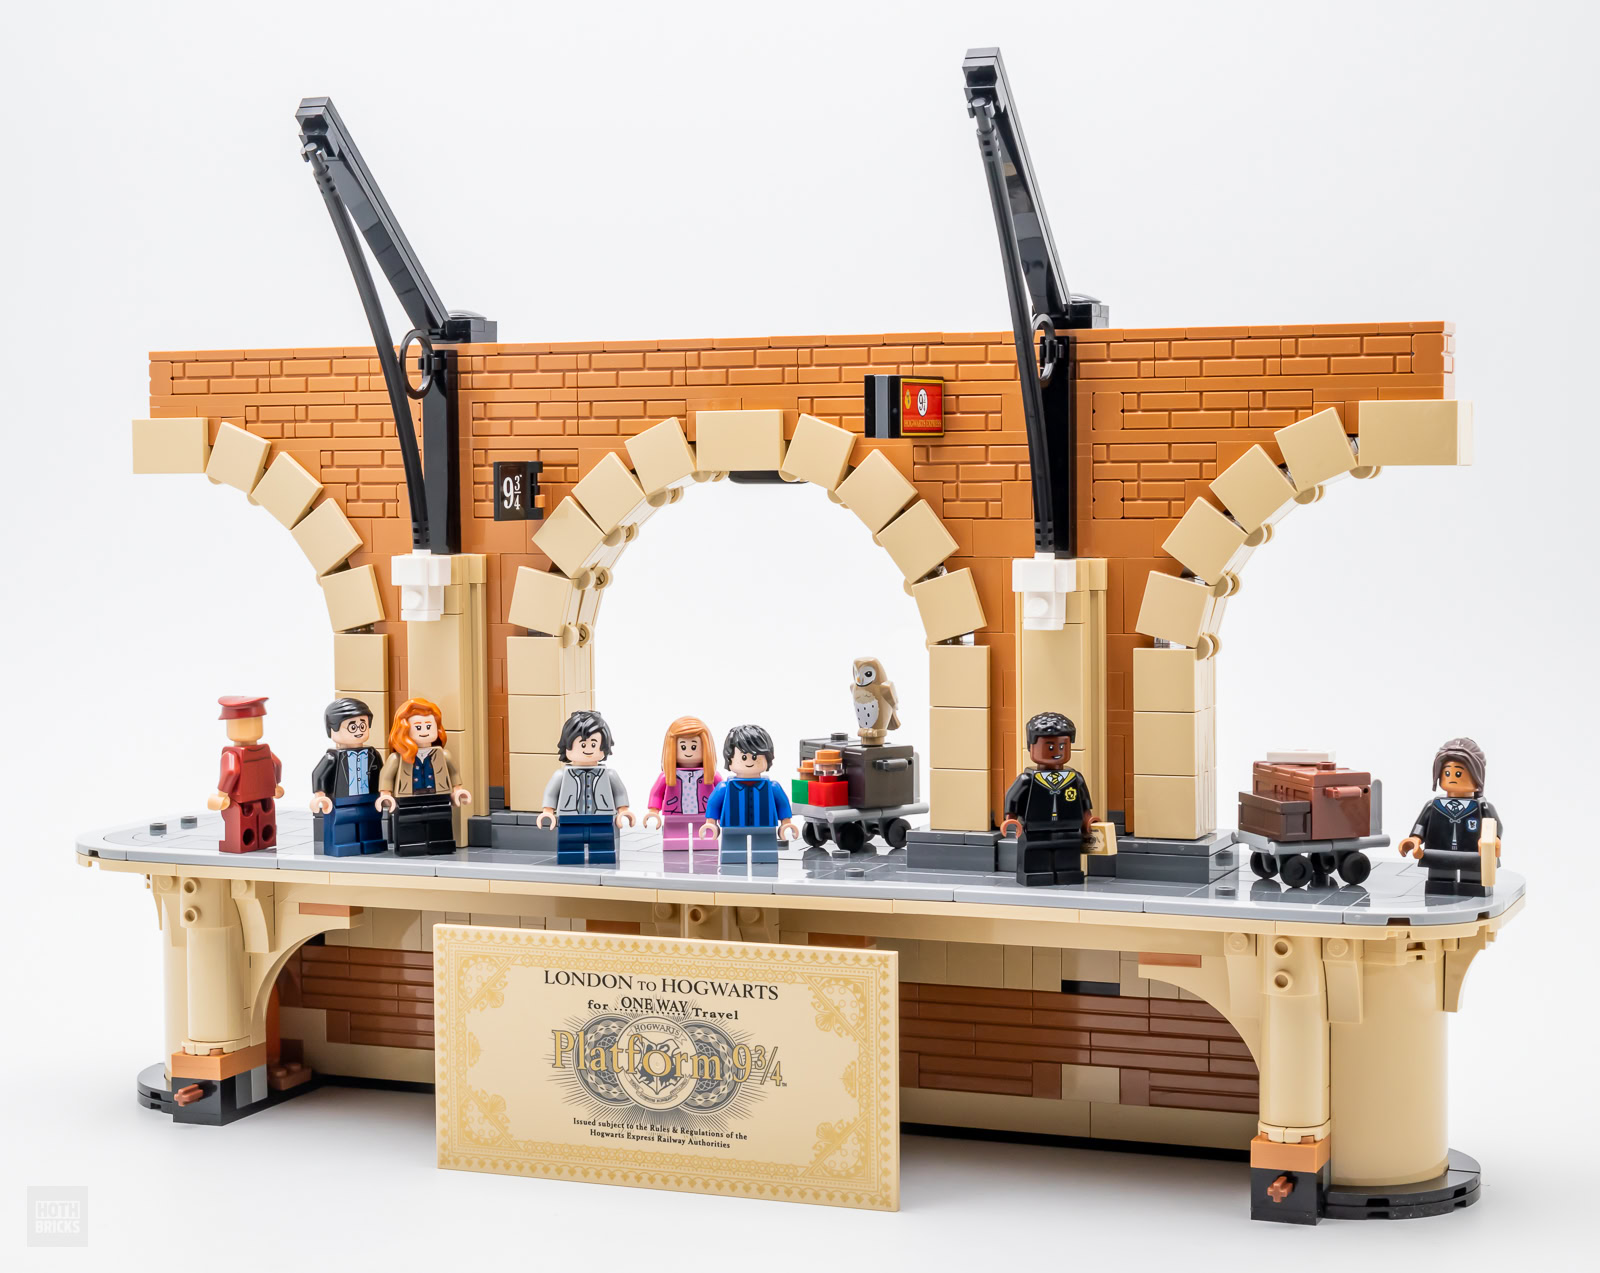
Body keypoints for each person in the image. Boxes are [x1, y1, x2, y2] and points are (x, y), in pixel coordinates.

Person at [1001, 711, 1098, 887]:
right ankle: (1036, 874)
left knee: (1068, 853)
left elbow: (1084, 803)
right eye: (1050, 747)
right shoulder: (1028, 779)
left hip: (1069, 828)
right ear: (1031, 747)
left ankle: (1067, 874)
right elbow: (1013, 798)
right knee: (1035, 853)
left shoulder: (1075, 778)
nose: (1057, 752)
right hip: (1035, 828)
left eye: (1062, 746)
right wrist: (1011, 818)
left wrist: (1088, 821)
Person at [1398, 737, 1502, 897]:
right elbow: (1421, 825)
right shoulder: (1434, 805)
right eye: (1447, 773)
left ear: (1477, 776)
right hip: (1438, 853)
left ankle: (1473, 891)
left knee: (1473, 881)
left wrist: (1493, 839)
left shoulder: (1481, 807)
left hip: (1472, 854)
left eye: (1458, 773)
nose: (1452, 777)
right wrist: (1415, 839)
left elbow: (1495, 826)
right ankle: (1439, 892)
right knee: (1439, 881)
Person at [376, 698, 470, 856]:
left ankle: (440, 845)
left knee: (441, 821)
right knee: (408, 822)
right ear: (404, 730)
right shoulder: (397, 758)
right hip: (408, 799)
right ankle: (410, 846)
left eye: (429, 726)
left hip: (439, 797)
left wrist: (458, 791)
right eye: (418, 727)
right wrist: (386, 795)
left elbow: (453, 773)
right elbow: (386, 777)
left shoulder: (443, 755)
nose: (424, 730)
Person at [539, 710, 633, 863]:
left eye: (594, 744)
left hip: (602, 817)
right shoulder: (561, 775)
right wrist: (548, 811)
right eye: (583, 744)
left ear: (603, 746)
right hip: (570, 818)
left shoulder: (609, 774)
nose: (588, 749)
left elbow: (619, 793)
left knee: (603, 846)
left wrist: (623, 810)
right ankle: (570, 856)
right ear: (567, 746)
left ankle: (602, 855)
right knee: (569, 846)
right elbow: (551, 794)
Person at [700, 724, 798, 864]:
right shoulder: (724, 787)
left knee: (766, 856)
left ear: (767, 758)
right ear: (729, 759)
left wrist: (786, 824)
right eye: (744, 757)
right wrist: (711, 824)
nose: (750, 761)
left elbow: (782, 805)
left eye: (755, 756)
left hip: (765, 827)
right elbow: (714, 804)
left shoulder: (772, 787)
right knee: (732, 856)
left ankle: (764, 868)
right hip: (732, 827)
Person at [208, 695, 284, 853]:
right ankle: (261, 840)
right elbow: (276, 764)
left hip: (243, 800)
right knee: (260, 823)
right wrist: (276, 785)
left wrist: (221, 794)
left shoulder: (232, 754)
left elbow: (231, 772)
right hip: (263, 797)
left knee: (244, 825)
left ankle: (254, 841)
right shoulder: (263, 750)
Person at [310, 698, 386, 856]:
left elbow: (382, 775)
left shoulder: (372, 754)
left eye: (363, 725)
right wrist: (320, 796)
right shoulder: (333, 757)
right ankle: (343, 844)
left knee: (371, 820)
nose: (359, 730)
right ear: (332, 729)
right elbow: (319, 774)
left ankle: (371, 842)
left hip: (369, 798)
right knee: (341, 821)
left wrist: (384, 794)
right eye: (352, 727)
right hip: (342, 800)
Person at [643, 716, 722, 848]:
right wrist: (653, 810)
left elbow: (722, 796)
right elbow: (656, 794)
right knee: (674, 842)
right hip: (674, 813)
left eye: (694, 746)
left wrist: (720, 815)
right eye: (683, 747)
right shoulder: (667, 775)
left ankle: (705, 845)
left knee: (706, 842)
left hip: (704, 815)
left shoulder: (711, 775)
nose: (688, 751)